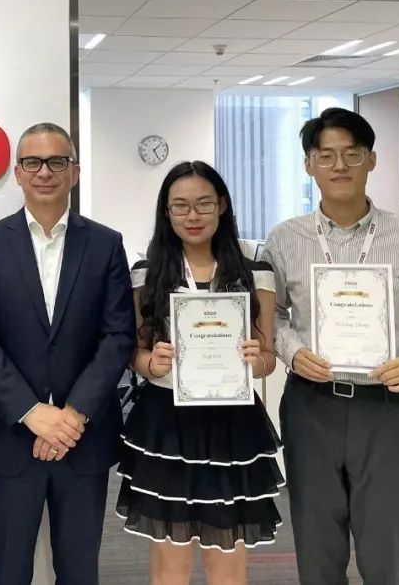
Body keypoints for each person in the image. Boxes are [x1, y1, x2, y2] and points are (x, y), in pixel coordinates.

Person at [262, 107, 399, 585]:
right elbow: (273, 315)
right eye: (326, 155)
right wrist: (292, 351)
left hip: (387, 409)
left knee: (384, 550)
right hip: (311, 407)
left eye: (352, 154)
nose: (340, 165)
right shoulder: (284, 239)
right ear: (309, 164)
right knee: (317, 550)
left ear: (371, 160)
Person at [0, 122, 135, 585]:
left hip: (83, 437)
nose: (45, 172)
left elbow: (118, 336)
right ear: (17, 173)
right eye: (33, 162)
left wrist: (72, 415)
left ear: (74, 172)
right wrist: (31, 411)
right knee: (6, 571)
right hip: (9, 436)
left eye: (57, 161)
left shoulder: (106, 243)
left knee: (79, 571)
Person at [118, 161, 284, 585]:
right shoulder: (147, 273)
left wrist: (256, 360)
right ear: (167, 211)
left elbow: (268, 357)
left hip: (231, 424)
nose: (192, 216)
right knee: (169, 563)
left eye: (204, 204)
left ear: (222, 205)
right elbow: (135, 351)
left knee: (225, 558)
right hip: (165, 423)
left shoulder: (255, 272)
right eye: (181, 206)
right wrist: (149, 363)